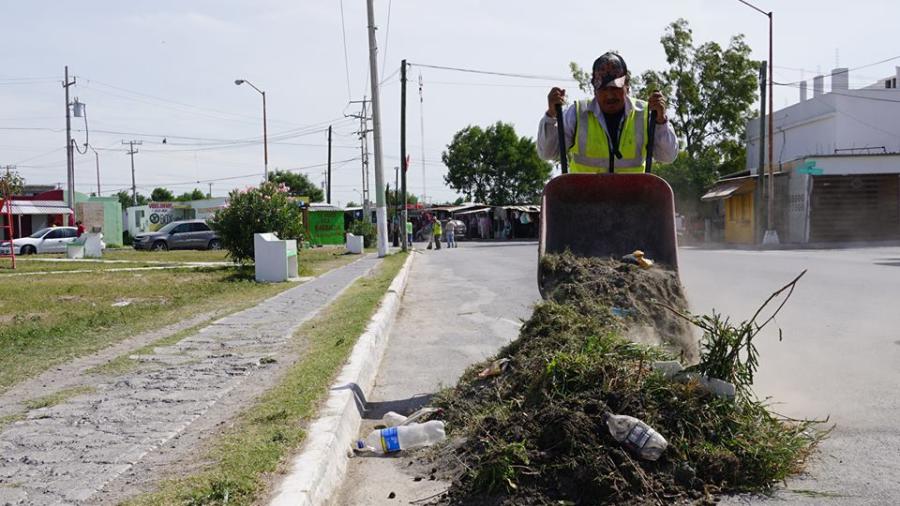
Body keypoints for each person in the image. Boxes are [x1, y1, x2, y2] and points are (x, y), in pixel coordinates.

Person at [537, 52, 678, 172]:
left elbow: (668, 156)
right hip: (583, 199)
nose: (610, 95)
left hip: (633, 199)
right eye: (604, 89)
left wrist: (660, 121)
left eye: (616, 88)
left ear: (627, 86)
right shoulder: (578, 113)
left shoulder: (646, 114)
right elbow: (548, 153)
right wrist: (551, 114)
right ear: (594, 89)